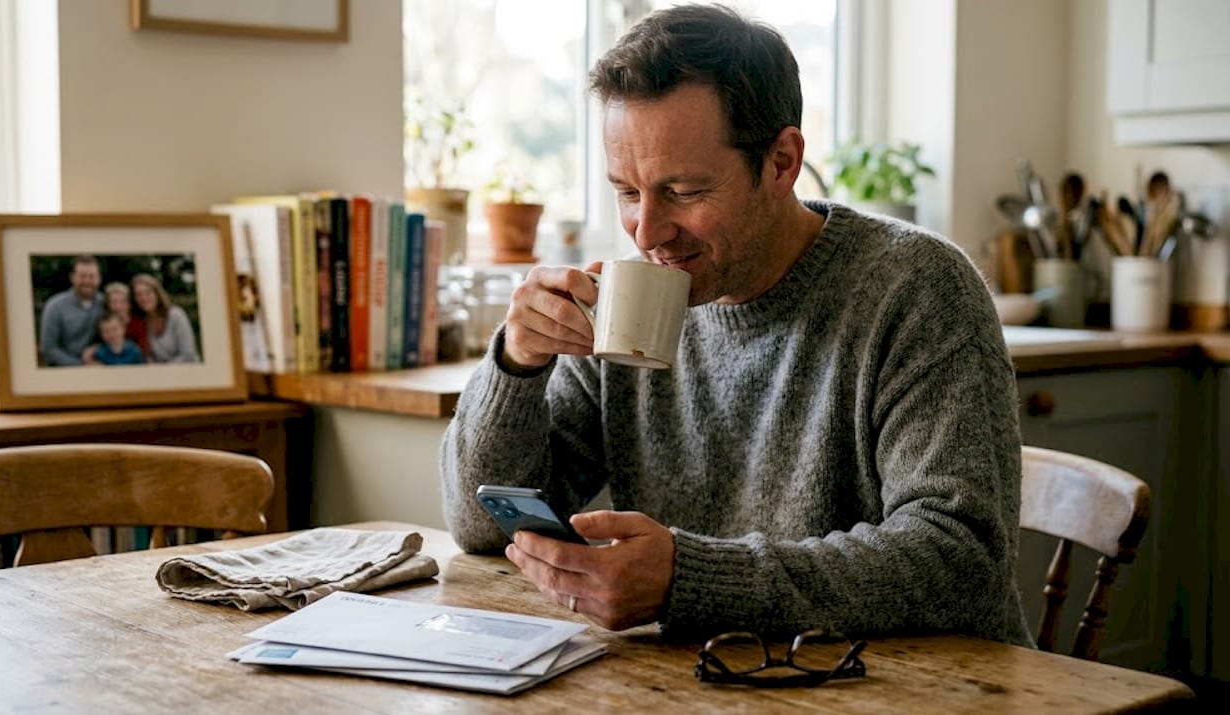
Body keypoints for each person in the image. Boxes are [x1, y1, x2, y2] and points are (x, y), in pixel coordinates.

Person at [440, 3, 1032, 647]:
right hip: (718, 682)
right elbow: (483, 526)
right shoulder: (623, 303)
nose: (647, 233)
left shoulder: (916, 288)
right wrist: (517, 365)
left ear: (781, 162)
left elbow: (961, 561)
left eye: (685, 192)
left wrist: (690, 581)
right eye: (628, 192)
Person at [38, 254, 104, 367]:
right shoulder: (55, 306)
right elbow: (48, 349)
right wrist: (80, 367)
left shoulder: (105, 303)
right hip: (63, 373)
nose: (87, 281)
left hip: (101, 369)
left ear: (99, 279)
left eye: (92, 276)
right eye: (82, 276)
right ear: (72, 278)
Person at [131, 273, 199, 363]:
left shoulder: (176, 315)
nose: (144, 298)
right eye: (139, 294)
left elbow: (188, 355)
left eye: (148, 292)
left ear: (157, 294)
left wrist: (162, 370)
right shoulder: (141, 322)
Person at [84, 281, 150, 364]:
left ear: (129, 304)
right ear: (108, 305)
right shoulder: (103, 323)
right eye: (114, 302)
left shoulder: (137, 324)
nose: (118, 306)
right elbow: (95, 346)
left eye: (123, 302)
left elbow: (143, 352)